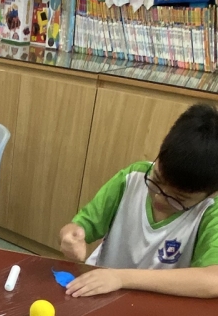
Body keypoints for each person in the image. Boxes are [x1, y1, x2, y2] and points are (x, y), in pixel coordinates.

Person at [59, 103, 218, 299]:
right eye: (156, 180)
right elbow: (80, 226)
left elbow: (213, 280)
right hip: (101, 293)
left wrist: (121, 278)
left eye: (178, 199)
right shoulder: (133, 177)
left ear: (211, 194)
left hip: (155, 302)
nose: (159, 198)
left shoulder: (211, 211)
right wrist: (70, 235)